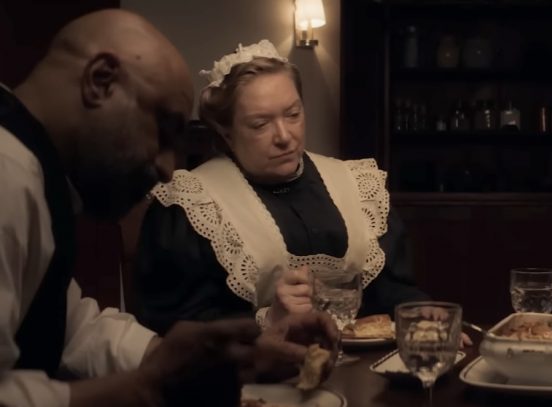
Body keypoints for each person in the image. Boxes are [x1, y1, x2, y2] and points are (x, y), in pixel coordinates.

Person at [0, 10, 338, 407]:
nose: (166, 168)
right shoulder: (8, 171)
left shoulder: (34, 168)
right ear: (100, 81)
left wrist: (212, 359)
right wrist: (145, 389)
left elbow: (70, 327)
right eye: (163, 131)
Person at [133, 40, 431, 335]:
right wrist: (270, 319)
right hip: (246, 365)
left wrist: (420, 311)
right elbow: (175, 330)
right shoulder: (192, 204)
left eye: (293, 115)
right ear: (226, 131)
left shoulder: (356, 185)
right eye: (260, 124)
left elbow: (391, 292)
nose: (284, 136)